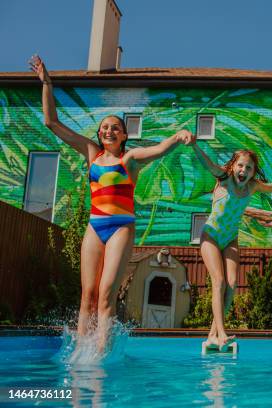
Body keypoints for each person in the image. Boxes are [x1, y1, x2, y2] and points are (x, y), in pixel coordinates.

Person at [30, 56, 195, 350]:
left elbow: (157, 150)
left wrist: (176, 136)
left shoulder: (128, 160)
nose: (109, 130)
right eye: (105, 127)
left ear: (124, 135)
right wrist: (47, 83)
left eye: (115, 128)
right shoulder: (91, 154)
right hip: (95, 226)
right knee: (88, 295)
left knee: (106, 294)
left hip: (121, 227)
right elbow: (51, 122)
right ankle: (83, 351)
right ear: (99, 134)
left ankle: (102, 353)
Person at [192, 145, 272, 350]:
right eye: (240, 166)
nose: (243, 171)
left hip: (230, 238)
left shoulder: (252, 186)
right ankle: (221, 335)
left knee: (231, 285)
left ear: (253, 172)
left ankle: (213, 334)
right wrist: (194, 144)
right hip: (210, 235)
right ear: (232, 166)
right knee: (219, 281)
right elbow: (208, 164)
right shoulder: (224, 179)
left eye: (248, 168)